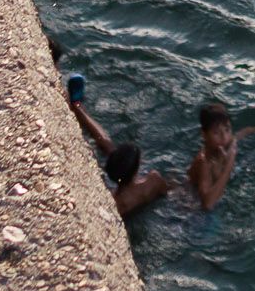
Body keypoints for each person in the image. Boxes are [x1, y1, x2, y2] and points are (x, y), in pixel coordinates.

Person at [63, 79, 173, 220]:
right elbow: (168, 192)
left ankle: (77, 107)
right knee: (107, 145)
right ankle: (77, 108)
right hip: (140, 201)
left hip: (122, 191)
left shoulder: (113, 202)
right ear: (137, 169)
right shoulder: (153, 181)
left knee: (102, 145)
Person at [185, 101, 255, 211]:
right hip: (191, 210)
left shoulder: (228, 142)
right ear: (204, 135)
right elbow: (207, 205)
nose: (224, 137)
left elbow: (248, 131)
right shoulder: (204, 162)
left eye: (227, 129)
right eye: (216, 133)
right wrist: (229, 162)